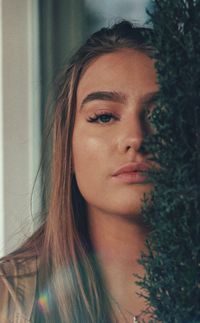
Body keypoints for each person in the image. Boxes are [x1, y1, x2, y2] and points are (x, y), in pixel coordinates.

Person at [0, 20, 159, 323]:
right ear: (67, 149)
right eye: (103, 117)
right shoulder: (9, 301)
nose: (136, 137)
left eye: (159, 114)